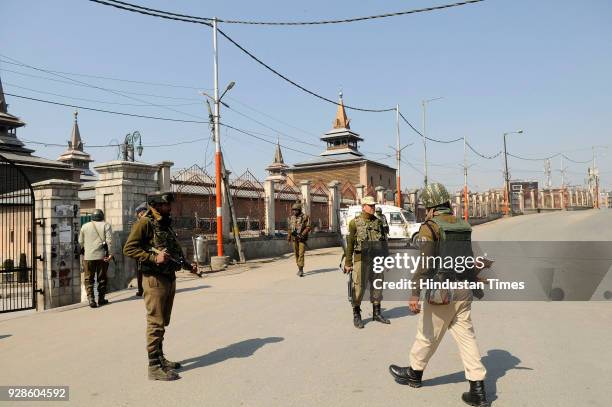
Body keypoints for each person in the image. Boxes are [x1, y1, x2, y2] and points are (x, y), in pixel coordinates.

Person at [389, 182, 490, 407]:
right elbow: (471, 257)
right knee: (466, 337)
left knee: (426, 333)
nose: (426, 212)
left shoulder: (430, 227)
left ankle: (414, 374)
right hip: (464, 290)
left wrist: (414, 292)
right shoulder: (463, 225)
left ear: (433, 206)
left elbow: (425, 263)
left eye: (427, 208)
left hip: (442, 291)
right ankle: (478, 389)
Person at [123, 192, 197, 381]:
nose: (170, 207)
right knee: (155, 322)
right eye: (166, 205)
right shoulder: (145, 223)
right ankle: (153, 366)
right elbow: (129, 248)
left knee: (163, 320)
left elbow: (173, 248)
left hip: (168, 277)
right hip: (155, 278)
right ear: (155, 205)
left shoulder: (164, 222)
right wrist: (153, 257)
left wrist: (188, 265)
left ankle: (160, 358)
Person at [343, 196, 390, 328]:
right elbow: (350, 244)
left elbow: (384, 242)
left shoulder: (379, 222)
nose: (373, 208)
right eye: (370, 206)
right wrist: (348, 263)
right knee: (359, 288)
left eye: (374, 205)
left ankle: (377, 313)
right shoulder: (354, 223)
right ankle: (357, 314)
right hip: (361, 260)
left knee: (377, 286)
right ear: (363, 206)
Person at [79, 209, 113, 308]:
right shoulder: (106, 225)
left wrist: (86, 249)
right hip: (102, 256)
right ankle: (101, 299)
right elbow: (109, 241)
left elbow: (80, 241)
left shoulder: (85, 226)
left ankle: (91, 299)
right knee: (102, 278)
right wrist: (110, 254)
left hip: (88, 257)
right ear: (102, 216)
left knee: (88, 278)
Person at [287, 201, 311, 277]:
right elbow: (290, 228)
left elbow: (308, 227)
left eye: (296, 210)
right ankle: (299, 267)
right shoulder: (292, 218)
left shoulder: (305, 217)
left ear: (299, 210)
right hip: (294, 239)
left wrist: (302, 234)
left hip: (302, 239)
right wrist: (289, 237)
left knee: (301, 254)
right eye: (293, 210)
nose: (294, 211)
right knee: (296, 254)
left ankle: (301, 269)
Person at [134, 202, 147, 297]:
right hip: (139, 251)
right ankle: (140, 289)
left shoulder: (147, 222)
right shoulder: (136, 224)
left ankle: (145, 289)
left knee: (146, 271)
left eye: (143, 212)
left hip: (146, 250)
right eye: (140, 212)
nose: (142, 214)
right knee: (139, 271)